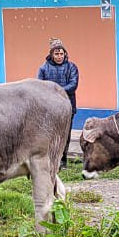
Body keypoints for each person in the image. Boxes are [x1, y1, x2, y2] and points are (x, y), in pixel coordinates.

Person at [37, 39, 80, 168]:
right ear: (51, 54)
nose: (59, 56)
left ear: (65, 53)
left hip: (68, 106)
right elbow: (40, 86)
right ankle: (51, 159)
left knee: (65, 134)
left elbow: (73, 84)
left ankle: (63, 159)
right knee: (50, 134)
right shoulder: (43, 69)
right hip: (49, 108)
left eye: (61, 53)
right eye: (56, 54)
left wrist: (57, 91)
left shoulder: (72, 67)